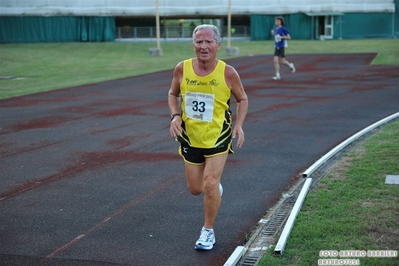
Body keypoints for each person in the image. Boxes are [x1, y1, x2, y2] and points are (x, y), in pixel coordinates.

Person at [168, 24, 248, 251]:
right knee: (196, 189)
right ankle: (213, 188)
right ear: (193, 45)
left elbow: (242, 99)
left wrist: (239, 126)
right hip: (190, 137)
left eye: (208, 42)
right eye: (199, 42)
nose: (203, 46)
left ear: (218, 45)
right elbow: (173, 93)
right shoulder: (182, 69)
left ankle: (208, 231)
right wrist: (175, 116)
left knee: (210, 183)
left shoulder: (228, 73)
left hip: (218, 137)